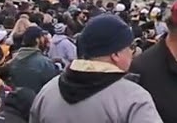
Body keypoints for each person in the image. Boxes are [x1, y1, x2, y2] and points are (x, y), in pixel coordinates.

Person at [30, 13, 162, 123]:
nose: (132, 53)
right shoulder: (133, 97)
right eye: (130, 47)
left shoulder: (47, 92)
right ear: (115, 54)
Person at [7, 27, 59, 92]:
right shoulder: (45, 63)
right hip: (37, 100)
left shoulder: (13, 61)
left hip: (17, 100)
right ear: (37, 40)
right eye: (42, 37)